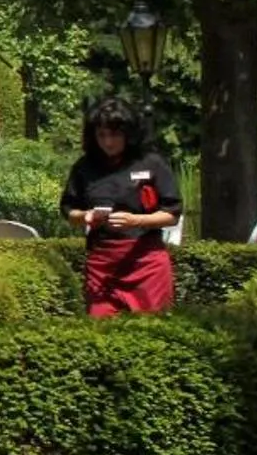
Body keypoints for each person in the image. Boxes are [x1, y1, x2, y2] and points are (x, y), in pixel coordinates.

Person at [63, 96, 181, 317]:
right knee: (100, 327)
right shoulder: (84, 167)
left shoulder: (151, 162)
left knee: (152, 328)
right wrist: (85, 216)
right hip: (102, 264)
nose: (108, 142)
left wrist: (137, 221)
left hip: (145, 261)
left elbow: (172, 214)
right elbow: (69, 209)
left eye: (115, 135)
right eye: (102, 135)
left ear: (129, 133)